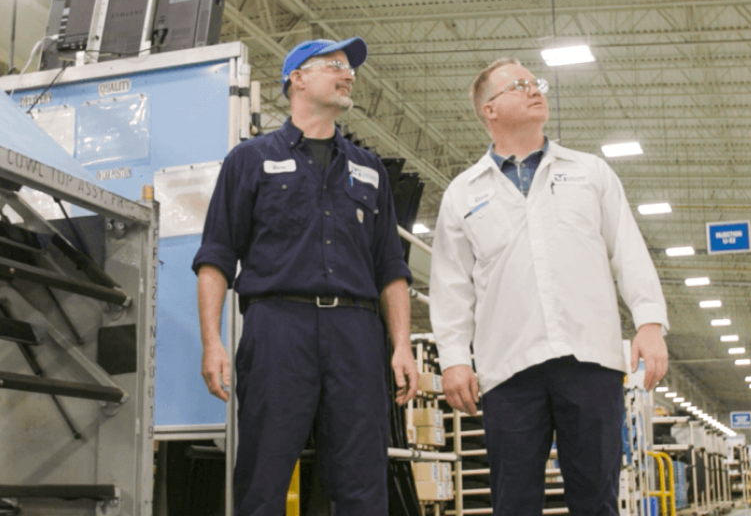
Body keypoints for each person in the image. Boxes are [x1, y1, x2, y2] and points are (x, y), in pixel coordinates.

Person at [429, 58, 669, 515]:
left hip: (590, 359)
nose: (535, 89)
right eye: (518, 86)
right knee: (513, 502)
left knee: (596, 498)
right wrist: (454, 360)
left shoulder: (590, 173)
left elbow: (629, 251)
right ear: (489, 110)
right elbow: (450, 286)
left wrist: (649, 324)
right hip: (508, 368)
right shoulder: (463, 193)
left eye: (534, 82)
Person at [192, 37, 419, 516]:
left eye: (350, 67)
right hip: (277, 328)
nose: (349, 73)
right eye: (335, 64)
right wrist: (212, 341)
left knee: (363, 477)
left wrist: (401, 344)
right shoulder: (249, 161)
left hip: (357, 334)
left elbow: (390, 269)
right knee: (264, 474)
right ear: (297, 78)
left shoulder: (370, 170)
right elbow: (216, 257)